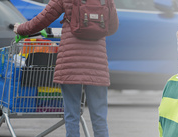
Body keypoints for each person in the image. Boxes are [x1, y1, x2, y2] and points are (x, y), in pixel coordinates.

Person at [13, 0, 119, 137]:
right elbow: (113, 26)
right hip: (97, 64)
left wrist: (21, 28)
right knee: (99, 117)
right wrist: (94, 30)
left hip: (70, 61)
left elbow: (43, 19)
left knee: (72, 115)